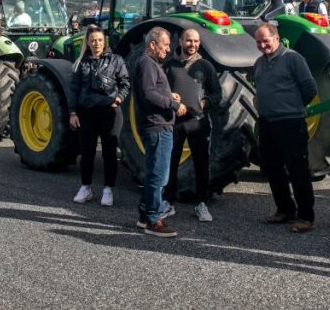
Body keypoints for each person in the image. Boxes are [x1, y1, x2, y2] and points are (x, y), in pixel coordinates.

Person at [253, 24, 317, 233]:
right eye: (259, 42)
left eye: (266, 41)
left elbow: (309, 88)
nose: (262, 45)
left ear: (276, 38)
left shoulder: (293, 59)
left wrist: (293, 107)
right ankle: (285, 209)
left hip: (290, 123)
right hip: (267, 123)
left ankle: (306, 216)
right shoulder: (259, 63)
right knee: (273, 169)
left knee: (298, 170)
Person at [69, 24, 130, 207]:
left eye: (100, 40)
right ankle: (85, 187)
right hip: (86, 112)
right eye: (93, 40)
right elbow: (74, 89)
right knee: (87, 152)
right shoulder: (81, 63)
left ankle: (108, 189)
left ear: (105, 41)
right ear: (87, 42)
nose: (97, 43)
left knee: (109, 152)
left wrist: (118, 99)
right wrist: (72, 112)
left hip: (110, 111)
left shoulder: (116, 60)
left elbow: (125, 82)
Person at [164, 28, 221, 222]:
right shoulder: (169, 66)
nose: (193, 45)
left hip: (197, 122)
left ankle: (201, 203)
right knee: (170, 162)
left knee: (201, 163)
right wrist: (169, 97)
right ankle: (168, 201)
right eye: (189, 41)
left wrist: (204, 103)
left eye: (196, 41)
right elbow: (161, 90)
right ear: (180, 41)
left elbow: (216, 94)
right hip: (174, 122)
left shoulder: (205, 66)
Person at [133, 27, 181, 237]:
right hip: (157, 126)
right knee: (159, 176)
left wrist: (169, 94)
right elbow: (148, 94)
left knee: (155, 172)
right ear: (152, 44)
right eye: (166, 45)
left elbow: (153, 91)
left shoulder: (150, 64)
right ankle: (154, 219)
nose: (168, 50)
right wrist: (171, 103)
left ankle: (145, 216)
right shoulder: (147, 64)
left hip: (157, 124)